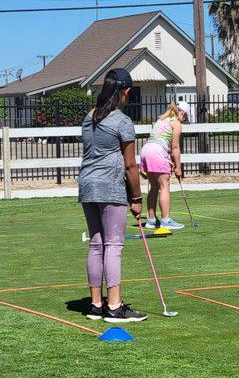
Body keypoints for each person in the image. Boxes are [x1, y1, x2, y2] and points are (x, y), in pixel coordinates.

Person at [78, 68, 147, 322]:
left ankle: (96, 305)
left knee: (96, 244)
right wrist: (137, 199)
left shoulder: (89, 117)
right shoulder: (122, 121)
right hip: (109, 187)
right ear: (125, 91)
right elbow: (130, 166)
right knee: (113, 245)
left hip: (87, 186)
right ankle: (115, 307)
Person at [140, 101, 191, 229]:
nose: (183, 121)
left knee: (154, 187)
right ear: (182, 113)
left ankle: (151, 221)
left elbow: (160, 140)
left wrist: (168, 159)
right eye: (185, 118)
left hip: (146, 150)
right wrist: (178, 168)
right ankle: (166, 220)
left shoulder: (162, 119)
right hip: (156, 151)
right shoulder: (176, 122)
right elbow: (175, 147)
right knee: (164, 186)